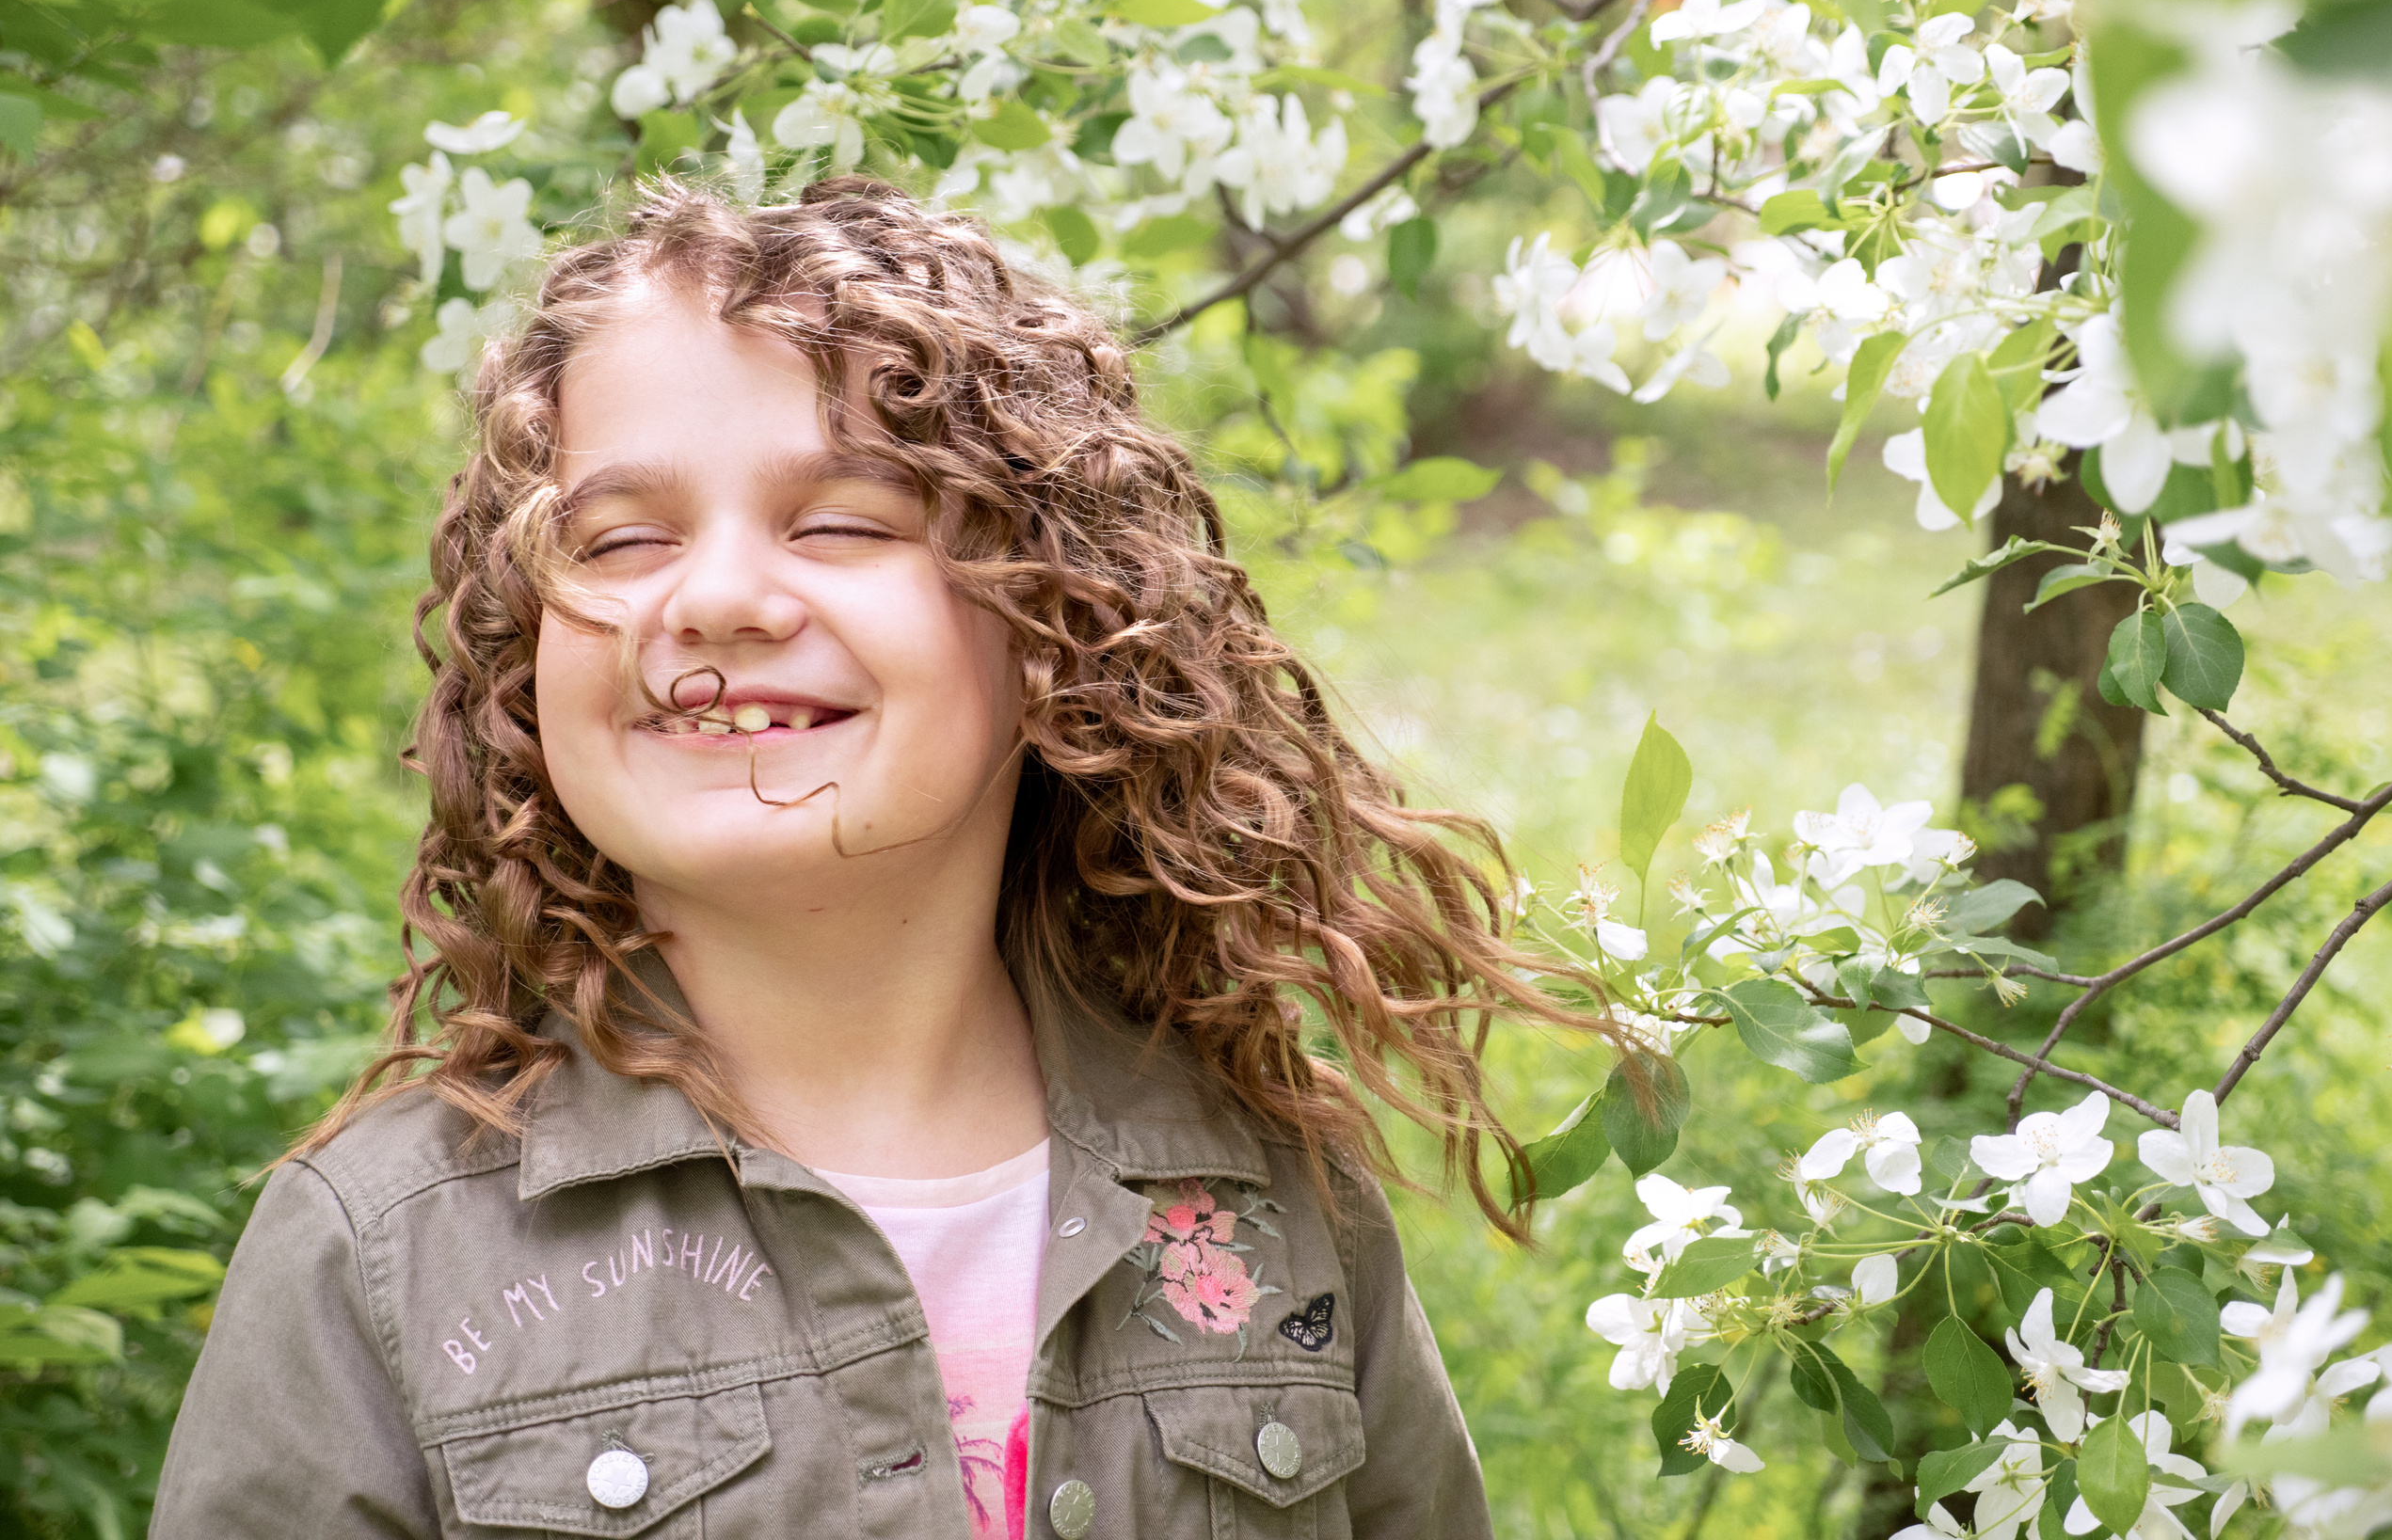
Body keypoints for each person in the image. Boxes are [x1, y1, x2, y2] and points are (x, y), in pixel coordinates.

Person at [153, 178, 1618, 1538]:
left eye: (845, 522)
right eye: (618, 544)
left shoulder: (1274, 1200)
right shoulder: (377, 1252)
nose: (716, 598)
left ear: (1054, 623)